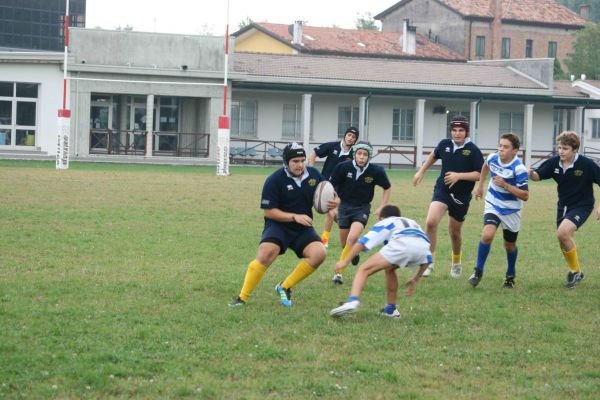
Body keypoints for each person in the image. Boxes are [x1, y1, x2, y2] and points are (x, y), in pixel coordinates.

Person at [229, 142, 338, 308]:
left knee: (319, 253)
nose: (300, 164)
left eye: (302, 160)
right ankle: (242, 298)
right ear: (286, 162)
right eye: (295, 161)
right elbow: (269, 212)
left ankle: (285, 286)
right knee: (267, 253)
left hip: (302, 227)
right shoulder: (274, 180)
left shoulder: (314, 175)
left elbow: (331, 194)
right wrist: (294, 217)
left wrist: (334, 201)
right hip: (278, 224)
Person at [329, 204, 432, 318]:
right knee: (390, 268)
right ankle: (391, 310)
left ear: (382, 218)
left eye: (378, 217)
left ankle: (352, 301)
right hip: (423, 248)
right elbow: (428, 257)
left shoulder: (387, 222)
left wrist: (345, 262)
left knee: (364, 269)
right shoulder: (412, 223)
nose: (377, 219)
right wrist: (416, 279)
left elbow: (362, 242)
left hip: (402, 244)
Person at [412, 115, 484, 278]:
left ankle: (456, 263)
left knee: (454, 232)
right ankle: (429, 262)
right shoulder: (444, 145)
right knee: (430, 223)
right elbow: (433, 155)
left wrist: (459, 176)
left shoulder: (472, 150)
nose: (457, 133)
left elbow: (480, 174)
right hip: (442, 191)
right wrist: (421, 171)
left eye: (461, 130)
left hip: (461, 196)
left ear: (466, 132)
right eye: (454, 130)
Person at [528, 131, 600, 289]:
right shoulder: (555, 162)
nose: (561, 151)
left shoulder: (587, 164)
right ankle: (577, 271)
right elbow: (538, 176)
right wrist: (530, 173)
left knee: (563, 233)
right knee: (563, 240)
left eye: (565, 148)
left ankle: (574, 272)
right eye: (559, 147)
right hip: (564, 205)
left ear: (575, 150)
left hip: (583, 205)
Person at [468, 133, 529, 288]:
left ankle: (510, 273)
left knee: (509, 245)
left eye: (505, 147)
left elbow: (525, 195)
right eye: (500, 145)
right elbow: (485, 166)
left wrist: (505, 185)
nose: (501, 149)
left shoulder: (519, 169)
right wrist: (480, 185)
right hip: (493, 203)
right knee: (487, 235)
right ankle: (478, 271)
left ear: (514, 151)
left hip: (511, 210)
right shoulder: (493, 157)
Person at [329, 141, 392, 284]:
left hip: (362, 208)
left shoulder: (376, 171)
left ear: (369, 156)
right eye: (359, 153)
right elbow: (330, 187)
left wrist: (382, 206)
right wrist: (333, 205)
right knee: (345, 243)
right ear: (354, 154)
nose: (361, 157)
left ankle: (339, 274)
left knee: (352, 238)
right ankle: (354, 252)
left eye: (365, 154)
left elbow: (387, 188)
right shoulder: (342, 167)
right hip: (344, 207)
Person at [309, 127, 359, 247]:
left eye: (353, 137)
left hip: (338, 187)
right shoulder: (333, 146)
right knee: (307, 205)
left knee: (331, 212)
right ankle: (349, 229)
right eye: (349, 135)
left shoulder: (354, 154)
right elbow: (314, 154)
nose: (350, 138)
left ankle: (324, 240)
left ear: (355, 141)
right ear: (345, 135)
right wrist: (311, 171)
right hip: (323, 183)